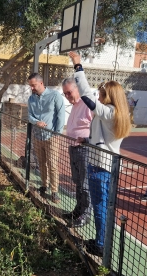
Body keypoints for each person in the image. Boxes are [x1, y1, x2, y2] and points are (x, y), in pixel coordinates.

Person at [69, 51, 131, 257]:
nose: (99, 96)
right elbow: (103, 138)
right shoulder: (114, 113)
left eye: (101, 93)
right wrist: (86, 140)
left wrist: (78, 65)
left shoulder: (110, 111)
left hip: (100, 166)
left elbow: (85, 94)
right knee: (102, 206)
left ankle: (101, 244)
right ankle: (100, 241)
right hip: (105, 164)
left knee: (100, 207)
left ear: (109, 96)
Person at [27, 73, 65, 203]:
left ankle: (54, 192)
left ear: (41, 83)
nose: (31, 88)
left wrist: (57, 133)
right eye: (30, 86)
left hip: (52, 137)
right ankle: (44, 186)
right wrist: (36, 122)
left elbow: (61, 115)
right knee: (41, 163)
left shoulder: (55, 96)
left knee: (53, 165)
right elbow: (30, 116)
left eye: (33, 85)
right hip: (37, 136)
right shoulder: (31, 99)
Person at [62, 77, 93, 227]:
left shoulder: (87, 104)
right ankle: (78, 210)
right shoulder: (75, 105)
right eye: (65, 94)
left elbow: (96, 128)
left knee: (85, 184)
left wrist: (86, 139)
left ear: (77, 89)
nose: (67, 96)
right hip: (73, 148)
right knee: (77, 182)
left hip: (84, 150)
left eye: (69, 92)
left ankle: (85, 215)